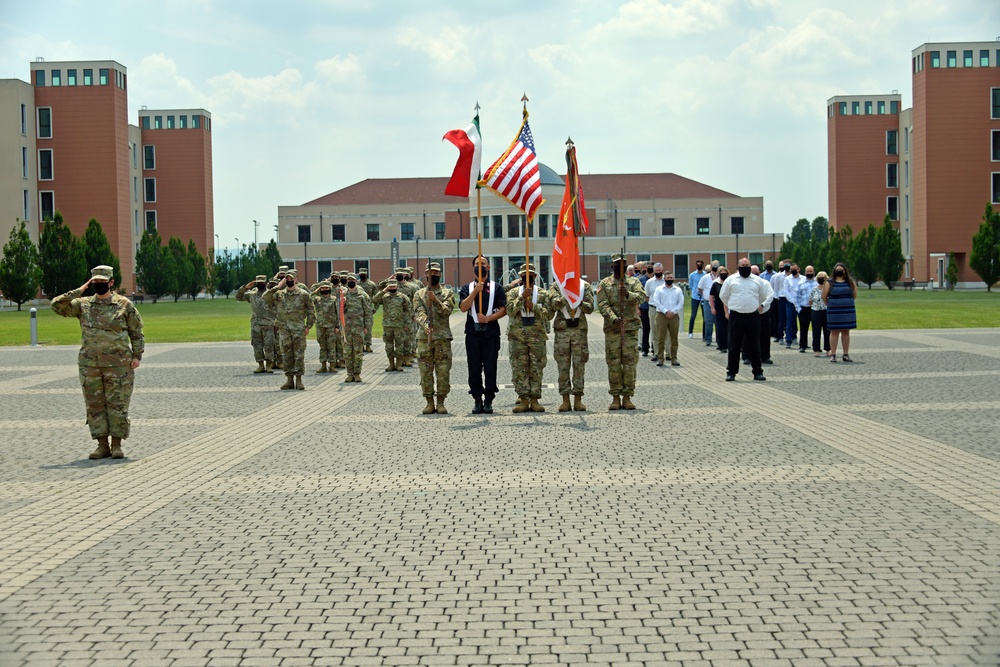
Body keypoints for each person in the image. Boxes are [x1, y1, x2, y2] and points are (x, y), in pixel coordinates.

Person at [51, 265, 144, 460]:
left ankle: (116, 445)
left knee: (118, 404)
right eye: (96, 283)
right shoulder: (83, 304)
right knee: (95, 405)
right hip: (90, 364)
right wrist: (78, 291)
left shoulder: (124, 305)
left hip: (119, 365)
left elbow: (136, 332)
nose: (99, 286)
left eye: (103, 282)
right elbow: (56, 305)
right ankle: (102, 445)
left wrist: (137, 356)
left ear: (111, 283)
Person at [597, 253, 646, 410]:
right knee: (614, 363)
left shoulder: (633, 281)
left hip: (630, 329)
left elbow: (642, 297)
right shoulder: (605, 283)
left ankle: (627, 396)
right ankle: (615, 397)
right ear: (613, 266)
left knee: (630, 363)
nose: (621, 267)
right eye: (618, 264)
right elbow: (603, 304)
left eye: (624, 264)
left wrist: (627, 294)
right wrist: (613, 318)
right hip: (613, 330)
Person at [459, 256, 507, 414]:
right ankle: (477, 398)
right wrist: (475, 292)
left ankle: (489, 399)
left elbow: (503, 309)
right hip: (473, 334)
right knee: (473, 368)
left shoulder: (497, 287)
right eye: (477, 264)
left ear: (489, 267)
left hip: (490, 333)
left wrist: (489, 318)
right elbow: (463, 307)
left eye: (483, 264)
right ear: (472, 267)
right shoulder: (467, 287)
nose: (480, 266)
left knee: (490, 367)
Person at [506, 264, 551, 413]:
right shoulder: (513, 293)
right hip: (517, 337)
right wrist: (521, 298)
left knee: (536, 368)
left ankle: (535, 399)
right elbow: (510, 311)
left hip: (536, 336)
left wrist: (534, 306)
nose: (527, 277)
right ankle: (523, 399)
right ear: (520, 277)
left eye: (530, 275)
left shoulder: (543, 294)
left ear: (535, 276)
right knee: (520, 369)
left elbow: (549, 314)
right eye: (524, 275)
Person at [719, 258, 773, 382]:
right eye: (743, 265)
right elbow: (724, 296)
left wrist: (754, 306)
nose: (745, 267)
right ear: (738, 266)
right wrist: (734, 305)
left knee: (755, 345)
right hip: (736, 316)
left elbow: (763, 296)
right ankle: (731, 372)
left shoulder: (757, 280)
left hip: (753, 316)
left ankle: (758, 372)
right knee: (734, 345)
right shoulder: (731, 279)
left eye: (747, 265)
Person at [413, 262, 456, 414]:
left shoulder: (448, 293)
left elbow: (446, 311)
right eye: (431, 273)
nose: (434, 276)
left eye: (437, 273)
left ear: (441, 275)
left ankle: (441, 401)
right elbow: (418, 311)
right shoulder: (418, 294)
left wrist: (435, 301)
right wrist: (426, 325)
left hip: (442, 338)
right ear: (426, 275)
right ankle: (429, 402)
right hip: (425, 338)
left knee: (443, 371)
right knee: (426, 372)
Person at [263, 269, 316, 390]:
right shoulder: (279, 294)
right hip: (284, 329)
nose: (289, 281)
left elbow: (311, 311)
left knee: (298, 354)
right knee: (286, 355)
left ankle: (299, 380)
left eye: (292, 279)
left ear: (296, 279)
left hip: (298, 329)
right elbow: (265, 297)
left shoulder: (303, 294)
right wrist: (277, 287)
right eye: (287, 279)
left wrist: (308, 326)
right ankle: (289, 380)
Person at [549, 275, 595, 411]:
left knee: (579, 365)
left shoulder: (584, 286)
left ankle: (578, 399)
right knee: (563, 366)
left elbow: (590, 308)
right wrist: (567, 295)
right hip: (562, 331)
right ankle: (565, 399)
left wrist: (579, 301)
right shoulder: (557, 286)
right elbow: (554, 304)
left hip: (579, 331)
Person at [236, 274, 276, 374]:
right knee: (257, 345)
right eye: (258, 283)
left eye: (262, 283)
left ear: (266, 283)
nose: (260, 284)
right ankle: (260, 365)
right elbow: (238, 297)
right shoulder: (251, 294)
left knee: (269, 345)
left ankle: (269, 366)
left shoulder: (271, 294)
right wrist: (245, 287)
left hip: (268, 324)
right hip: (256, 324)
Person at [372, 278, 412, 371]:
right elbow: (374, 300)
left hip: (399, 325)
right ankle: (391, 364)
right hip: (387, 325)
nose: (392, 288)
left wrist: (406, 324)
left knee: (399, 346)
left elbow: (407, 312)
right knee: (389, 346)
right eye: (390, 286)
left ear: (397, 286)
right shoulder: (385, 297)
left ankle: (398, 364)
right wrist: (383, 291)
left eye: (394, 286)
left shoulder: (403, 297)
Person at [823, 262, 858, 362]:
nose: (839, 271)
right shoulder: (829, 282)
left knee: (846, 332)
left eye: (841, 270)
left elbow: (854, 295)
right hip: (834, 311)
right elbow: (824, 296)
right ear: (834, 271)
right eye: (837, 270)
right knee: (834, 332)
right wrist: (830, 305)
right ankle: (833, 354)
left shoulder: (850, 282)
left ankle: (845, 354)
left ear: (844, 271)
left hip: (847, 310)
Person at [341, 273, 372, 382]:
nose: (350, 282)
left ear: (356, 281)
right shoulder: (343, 295)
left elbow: (368, 312)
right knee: (348, 352)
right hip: (347, 328)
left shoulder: (363, 296)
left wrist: (367, 327)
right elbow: (339, 312)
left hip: (359, 327)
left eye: (352, 280)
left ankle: (357, 374)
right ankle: (350, 374)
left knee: (358, 352)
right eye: (348, 280)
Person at [650, 272, 683, 367]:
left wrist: (673, 311)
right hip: (661, 315)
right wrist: (665, 311)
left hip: (674, 316)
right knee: (661, 338)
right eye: (668, 277)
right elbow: (656, 301)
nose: (669, 279)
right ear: (664, 278)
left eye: (671, 277)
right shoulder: (659, 289)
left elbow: (681, 302)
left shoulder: (678, 290)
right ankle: (660, 358)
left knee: (674, 338)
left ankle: (674, 358)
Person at [310, 280, 341, 374]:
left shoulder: (334, 299)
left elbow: (337, 313)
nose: (324, 290)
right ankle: (323, 366)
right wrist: (316, 290)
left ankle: (332, 366)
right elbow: (307, 297)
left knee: (331, 346)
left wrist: (337, 326)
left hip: (331, 326)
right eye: (323, 288)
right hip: (320, 326)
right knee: (322, 346)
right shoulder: (317, 299)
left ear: (330, 289)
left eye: (326, 288)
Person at [793, 265, 817, 353]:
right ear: (805, 272)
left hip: (815, 309)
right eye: (808, 272)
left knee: (816, 328)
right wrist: (799, 309)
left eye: (811, 271)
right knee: (803, 328)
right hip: (804, 309)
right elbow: (796, 297)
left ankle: (816, 346)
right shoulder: (800, 283)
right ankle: (802, 345)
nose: (809, 273)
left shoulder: (817, 282)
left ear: (814, 272)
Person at [644, 263, 665, 360]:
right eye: (656, 271)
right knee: (654, 331)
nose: (658, 273)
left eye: (660, 271)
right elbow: (647, 297)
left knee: (666, 332)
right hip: (653, 308)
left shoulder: (666, 281)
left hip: (665, 309)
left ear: (662, 271)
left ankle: (668, 353)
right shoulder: (649, 282)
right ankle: (656, 353)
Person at [810, 271, 832, 357]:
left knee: (827, 332)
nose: (821, 279)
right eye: (819, 277)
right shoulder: (814, 289)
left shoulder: (829, 289)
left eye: (823, 277)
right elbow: (810, 301)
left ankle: (828, 349)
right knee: (816, 331)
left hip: (826, 311)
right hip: (816, 312)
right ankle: (816, 349)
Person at [698, 262, 719, 346]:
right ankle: (708, 339)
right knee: (708, 321)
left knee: (718, 321)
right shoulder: (705, 278)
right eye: (713, 265)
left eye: (716, 265)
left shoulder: (721, 277)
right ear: (710, 267)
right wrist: (706, 295)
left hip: (718, 302)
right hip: (707, 302)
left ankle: (719, 340)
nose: (715, 267)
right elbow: (700, 288)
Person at [709, 267, 729, 353]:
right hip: (719, 309)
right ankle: (722, 346)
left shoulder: (729, 283)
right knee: (721, 327)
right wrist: (712, 308)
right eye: (722, 274)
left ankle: (730, 344)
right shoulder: (715, 284)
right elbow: (711, 296)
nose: (723, 275)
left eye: (725, 274)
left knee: (729, 328)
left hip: (730, 308)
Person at [357, 268, 378, 352]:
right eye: (361, 274)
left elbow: (377, 297)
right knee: (359, 328)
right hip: (358, 309)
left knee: (368, 328)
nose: (362, 275)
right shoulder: (357, 284)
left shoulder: (371, 284)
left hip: (368, 309)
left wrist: (375, 308)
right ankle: (360, 345)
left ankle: (368, 345)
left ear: (367, 274)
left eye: (364, 274)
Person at [783, 263, 803, 348]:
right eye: (791, 269)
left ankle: (803, 342)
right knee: (789, 322)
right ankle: (788, 340)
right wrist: (793, 302)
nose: (792, 271)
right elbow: (786, 291)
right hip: (790, 303)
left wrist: (799, 302)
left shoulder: (803, 279)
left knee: (803, 323)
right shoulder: (787, 279)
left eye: (794, 269)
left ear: (799, 269)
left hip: (801, 303)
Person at [770, 261, 788, 343]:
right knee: (779, 318)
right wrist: (776, 299)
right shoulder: (777, 276)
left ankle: (790, 335)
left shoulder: (792, 276)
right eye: (781, 265)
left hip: (789, 299)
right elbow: (774, 288)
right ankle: (779, 335)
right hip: (779, 299)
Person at [687, 260, 706, 339]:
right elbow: (690, 285)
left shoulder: (705, 275)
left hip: (703, 297)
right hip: (695, 297)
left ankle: (704, 334)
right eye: (698, 264)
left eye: (700, 264)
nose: (699, 266)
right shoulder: (692, 275)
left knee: (705, 316)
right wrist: (694, 291)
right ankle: (690, 332)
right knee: (693, 315)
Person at [637, 263, 652, 356]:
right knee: (645, 328)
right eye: (647, 267)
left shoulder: (658, 280)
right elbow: (638, 294)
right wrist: (637, 308)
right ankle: (645, 348)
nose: (649, 269)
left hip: (655, 307)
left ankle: (655, 348)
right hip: (644, 307)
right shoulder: (641, 280)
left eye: (651, 267)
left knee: (655, 329)